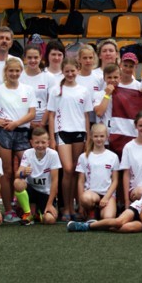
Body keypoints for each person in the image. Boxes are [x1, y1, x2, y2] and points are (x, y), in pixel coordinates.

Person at [0, 58, 37, 223]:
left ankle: (26, 205)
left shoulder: (28, 89)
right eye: (11, 71)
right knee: (7, 171)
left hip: (22, 132)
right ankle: (9, 209)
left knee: (27, 169)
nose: (14, 74)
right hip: (4, 133)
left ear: (21, 72)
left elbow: (32, 113)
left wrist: (16, 123)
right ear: (6, 72)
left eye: (17, 71)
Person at [68, 162, 142, 234]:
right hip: (138, 211)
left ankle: (98, 224)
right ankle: (85, 226)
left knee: (123, 229)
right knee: (118, 222)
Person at [46, 57, 92, 221]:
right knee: (67, 169)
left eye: (73, 71)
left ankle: (75, 206)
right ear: (63, 72)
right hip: (62, 131)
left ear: (78, 70)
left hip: (79, 132)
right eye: (67, 71)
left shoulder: (83, 91)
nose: (70, 74)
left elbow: (86, 116)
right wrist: (52, 138)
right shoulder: (56, 90)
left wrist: (88, 138)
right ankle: (66, 206)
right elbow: (51, 115)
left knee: (75, 171)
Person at [13, 127, 60, 225]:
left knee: (49, 220)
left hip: (45, 193)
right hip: (31, 190)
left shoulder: (53, 154)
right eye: (37, 142)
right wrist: (23, 173)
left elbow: (55, 181)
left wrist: (49, 204)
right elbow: (17, 174)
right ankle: (28, 213)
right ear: (31, 142)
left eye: (43, 142)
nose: (40, 145)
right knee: (18, 182)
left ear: (48, 142)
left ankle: (37, 213)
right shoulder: (27, 153)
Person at [75, 123, 119, 220]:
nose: (99, 139)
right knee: (86, 199)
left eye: (102, 136)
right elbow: (81, 181)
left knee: (108, 217)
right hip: (91, 194)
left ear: (107, 137)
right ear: (91, 137)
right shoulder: (84, 156)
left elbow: (115, 181)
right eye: (96, 136)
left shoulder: (113, 157)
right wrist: (81, 204)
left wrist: (106, 197)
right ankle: (91, 210)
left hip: (107, 194)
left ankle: (98, 212)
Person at [20, 44, 57, 129]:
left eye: (36, 57)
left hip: (45, 123)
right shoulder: (19, 77)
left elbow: (51, 103)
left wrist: (42, 123)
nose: (33, 60)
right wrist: (28, 123)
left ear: (40, 57)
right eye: (29, 57)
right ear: (24, 58)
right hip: (24, 123)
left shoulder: (49, 77)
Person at [93, 63, 122, 129]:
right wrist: (107, 94)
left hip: (119, 131)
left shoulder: (125, 94)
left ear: (120, 78)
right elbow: (99, 113)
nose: (112, 80)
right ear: (104, 78)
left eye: (115, 77)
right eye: (109, 77)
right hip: (103, 132)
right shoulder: (98, 94)